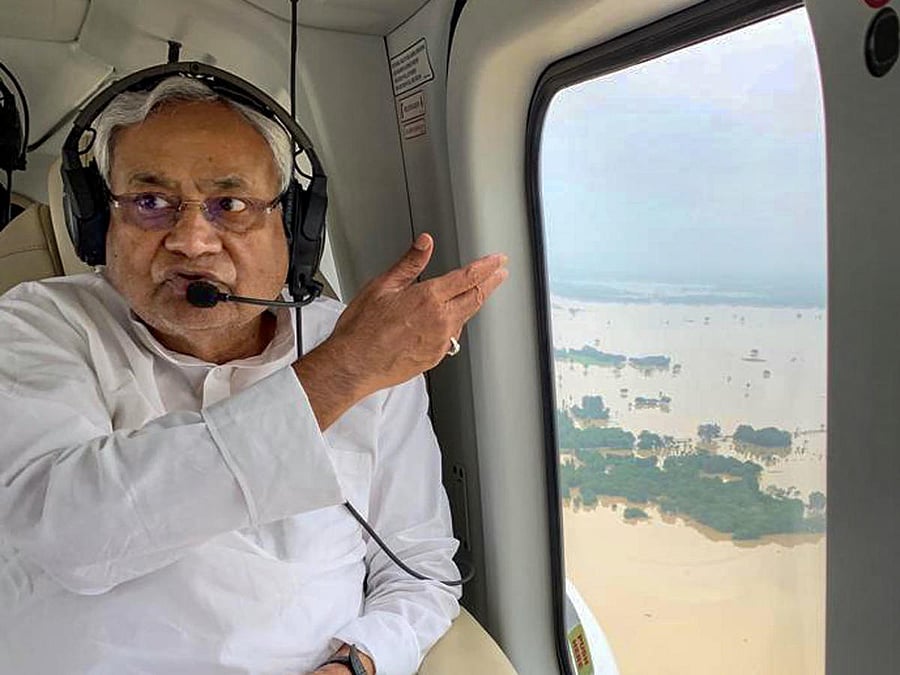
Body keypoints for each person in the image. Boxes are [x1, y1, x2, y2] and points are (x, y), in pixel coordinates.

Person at [0, 75, 508, 675]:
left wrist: (359, 663)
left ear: (293, 229)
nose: (191, 241)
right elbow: (70, 539)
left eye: (231, 205)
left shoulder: (359, 344)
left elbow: (419, 569)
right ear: (96, 224)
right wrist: (340, 374)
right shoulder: (37, 325)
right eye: (150, 202)